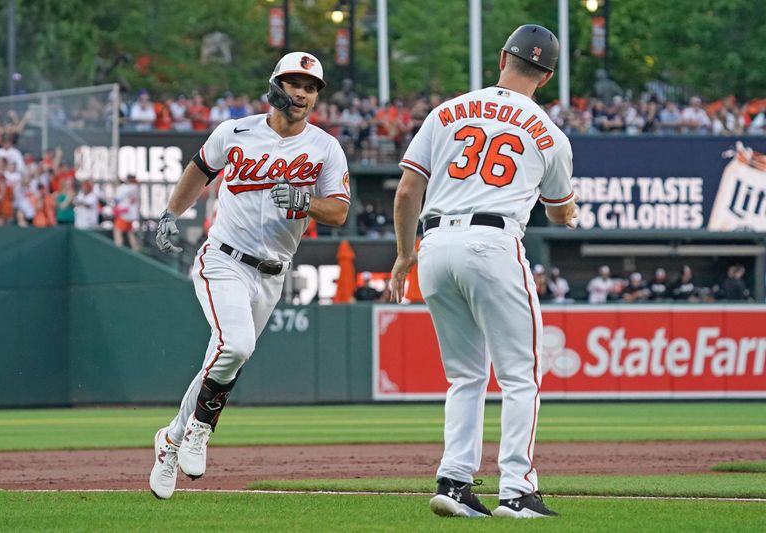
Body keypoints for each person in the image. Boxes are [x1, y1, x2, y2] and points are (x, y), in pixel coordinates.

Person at [390, 24, 573, 519]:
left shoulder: (447, 111)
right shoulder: (550, 133)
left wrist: (406, 253)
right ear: (548, 75)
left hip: (434, 244)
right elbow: (559, 212)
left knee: (464, 376)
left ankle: (453, 484)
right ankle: (517, 490)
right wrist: (569, 209)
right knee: (520, 375)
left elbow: (408, 191)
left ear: (501, 59)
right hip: (493, 243)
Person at [149, 51, 350, 500]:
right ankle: (201, 427)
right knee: (236, 345)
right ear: (276, 84)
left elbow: (338, 210)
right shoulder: (235, 131)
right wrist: (169, 213)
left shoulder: (324, 147)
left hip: (274, 271)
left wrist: (303, 200)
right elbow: (200, 169)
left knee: (222, 359)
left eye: (311, 86)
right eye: (294, 82)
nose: (302, 92)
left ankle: (171, 441)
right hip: (223, 258)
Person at [112, 174, 141, 251]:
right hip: (132, 214)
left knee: (117, 230)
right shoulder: (136, 187)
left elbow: (117, 198)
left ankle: (118, 248)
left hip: (124, 213)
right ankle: (136, 249)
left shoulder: (125, 188)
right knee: (130, 232)